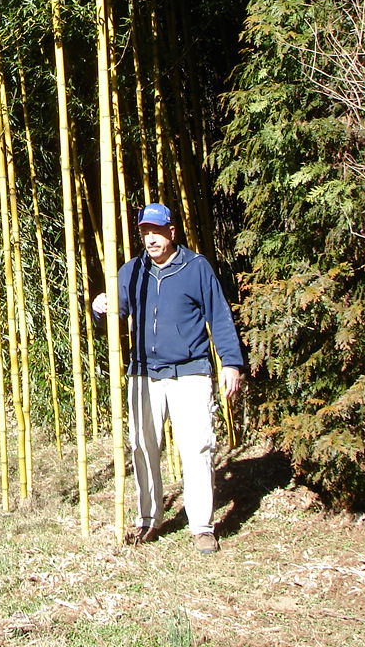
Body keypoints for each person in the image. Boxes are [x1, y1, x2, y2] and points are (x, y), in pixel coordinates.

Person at [92, 202, 244, 555]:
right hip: (144, 373)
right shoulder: (132, 272)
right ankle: (148, 519)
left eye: (156, 232)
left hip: (190, 371)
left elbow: (219, 317)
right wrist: (100, 308)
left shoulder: (196, 268)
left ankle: (202, 526)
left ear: (171, 232)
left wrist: (231, 363)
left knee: (197, 448)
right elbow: (114, 317)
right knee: (143, 448)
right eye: (145, 232)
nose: (150, 239)